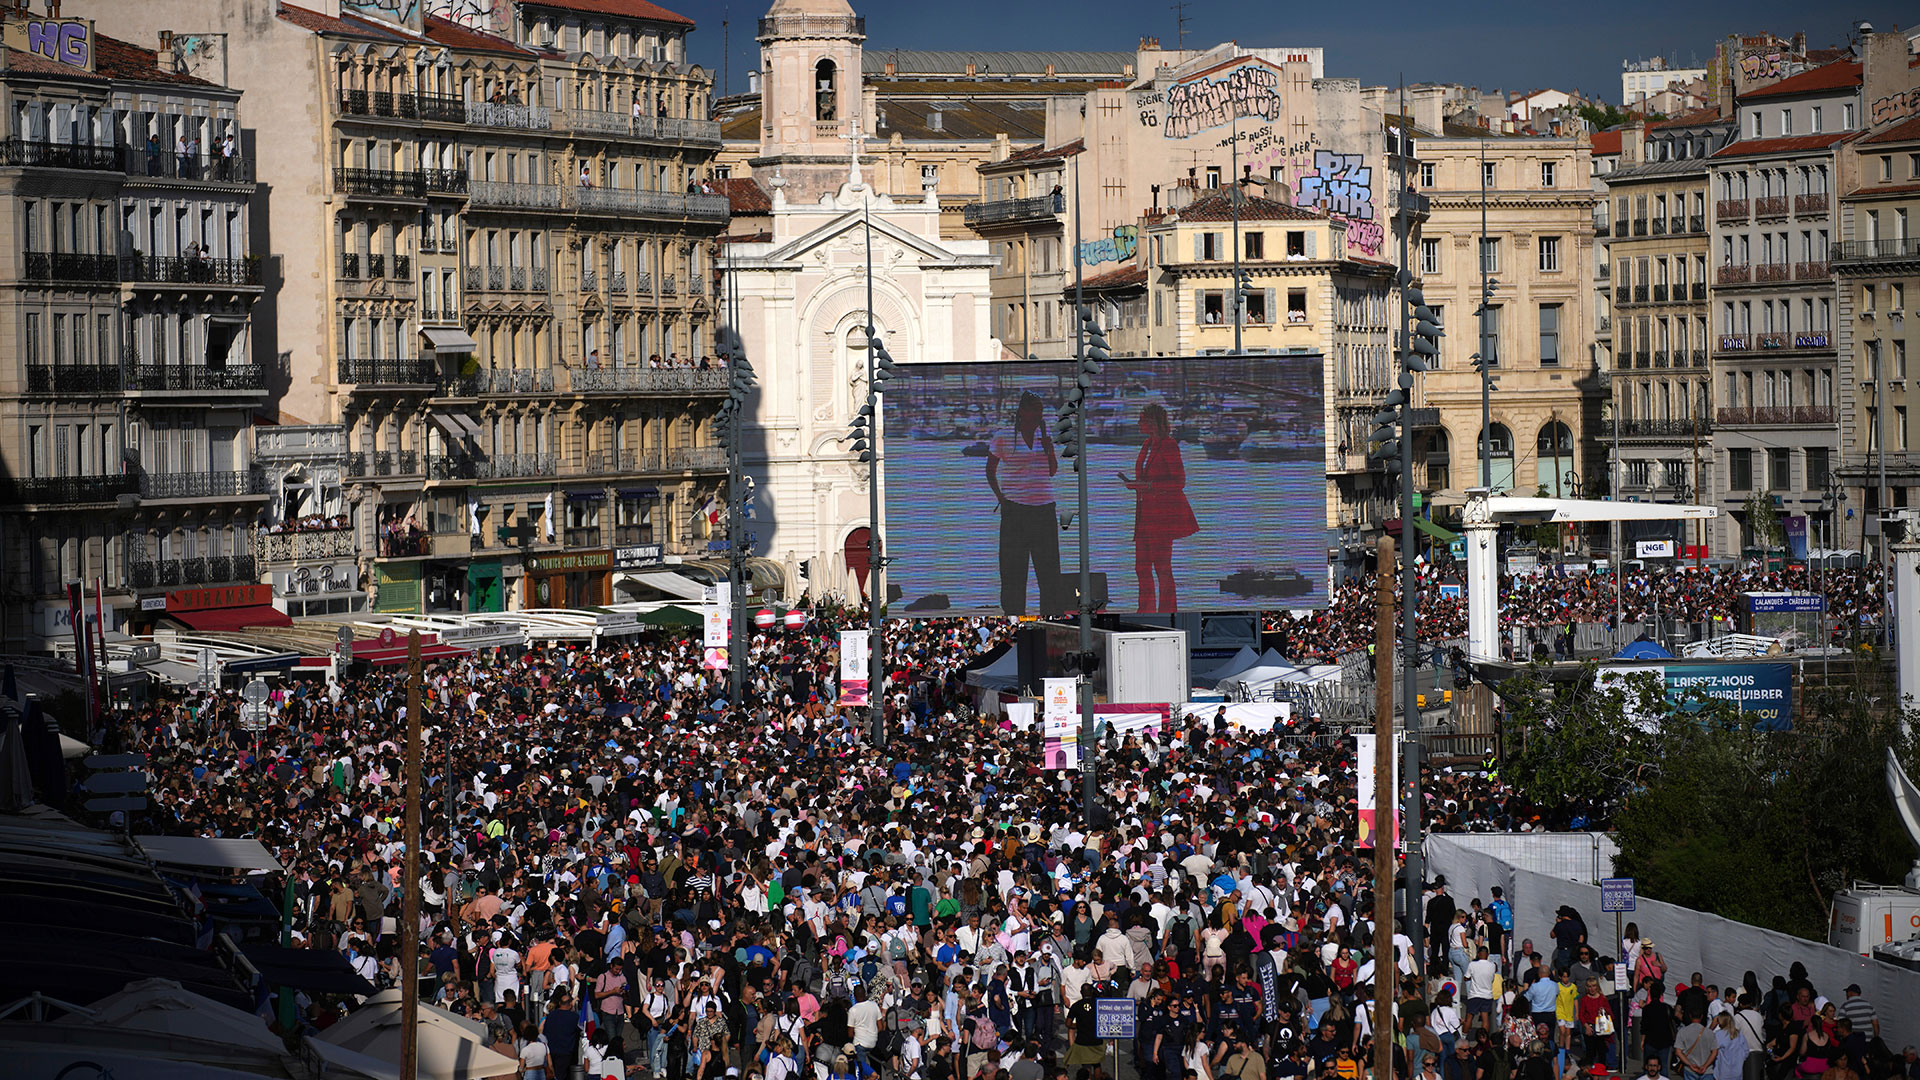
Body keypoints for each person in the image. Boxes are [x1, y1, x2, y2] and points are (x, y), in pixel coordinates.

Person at [986, 391, 1063, 616]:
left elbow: (1052, 471)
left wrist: (1049, 449)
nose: (1038, 414)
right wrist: (1000, 497)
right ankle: (1014, 615)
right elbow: (990, 470)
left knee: (1049, 569)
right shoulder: (1004, 436)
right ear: (1022, 411)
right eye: (1034, 409)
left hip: (1044, 509)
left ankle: (1050, 615)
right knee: (1013, 569)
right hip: (1015, 510)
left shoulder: (1043, 436)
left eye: (1040, 410)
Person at [1119, 402, 1197, 613]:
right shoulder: (1147, 444)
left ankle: (1166, 611)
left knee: (1162, 567)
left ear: (1153, 422)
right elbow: (1147, 477)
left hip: (1162, 516)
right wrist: (1137, 484)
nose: (1138, 423)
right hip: (1145, 514)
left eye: (1142, 420)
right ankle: (1145, 610)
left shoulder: (1168, 445)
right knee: (1141, 566)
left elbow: (1179, 482)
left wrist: (1149, 486)